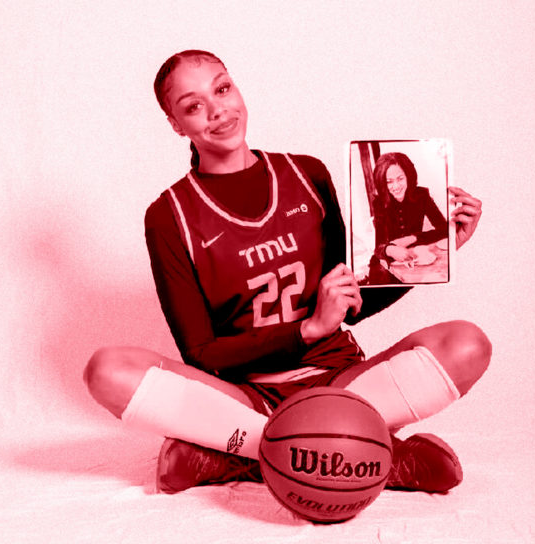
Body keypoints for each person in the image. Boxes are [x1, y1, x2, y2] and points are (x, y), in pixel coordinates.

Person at [83, 50, 491, 496]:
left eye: (222, 88)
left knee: (467, 344)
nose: (217, 110)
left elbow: (352, 299)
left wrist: (440, 253)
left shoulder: (306, 174)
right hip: (244, 399)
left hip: (340, 382)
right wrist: (306, 330)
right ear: (176, 125)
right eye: (193, 105)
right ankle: (371, 456)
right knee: (107, 370)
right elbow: (200, 354)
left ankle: (239, 456)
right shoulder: (168, 216)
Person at [366, 151, 450, 285]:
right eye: (389, 182)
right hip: (387, 260)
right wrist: (391, 249)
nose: (396, 186)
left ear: (408, 176)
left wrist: (412, 238)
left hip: (417, 255)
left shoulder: (422, 195)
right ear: (382, 183)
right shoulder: (379, 203)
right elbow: (379, 246)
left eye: (400, 179)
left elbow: (445, 229)